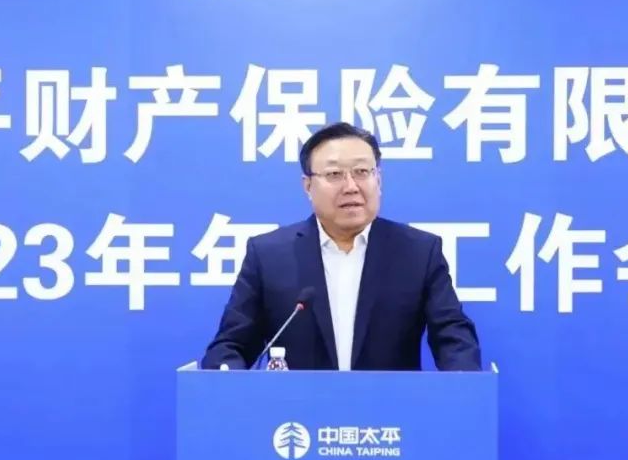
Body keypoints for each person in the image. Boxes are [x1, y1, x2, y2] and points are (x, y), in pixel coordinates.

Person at [202, 123, 481, 371]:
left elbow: (453, 337)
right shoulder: (268, 255)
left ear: (378, 180)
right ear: (308, 186)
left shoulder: (418, 252)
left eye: (362, 172)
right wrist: (228, 378)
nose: (351, 186)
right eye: (334, 174)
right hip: (296, 411)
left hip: (390, 412)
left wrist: (463, 381)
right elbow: (230, 345)